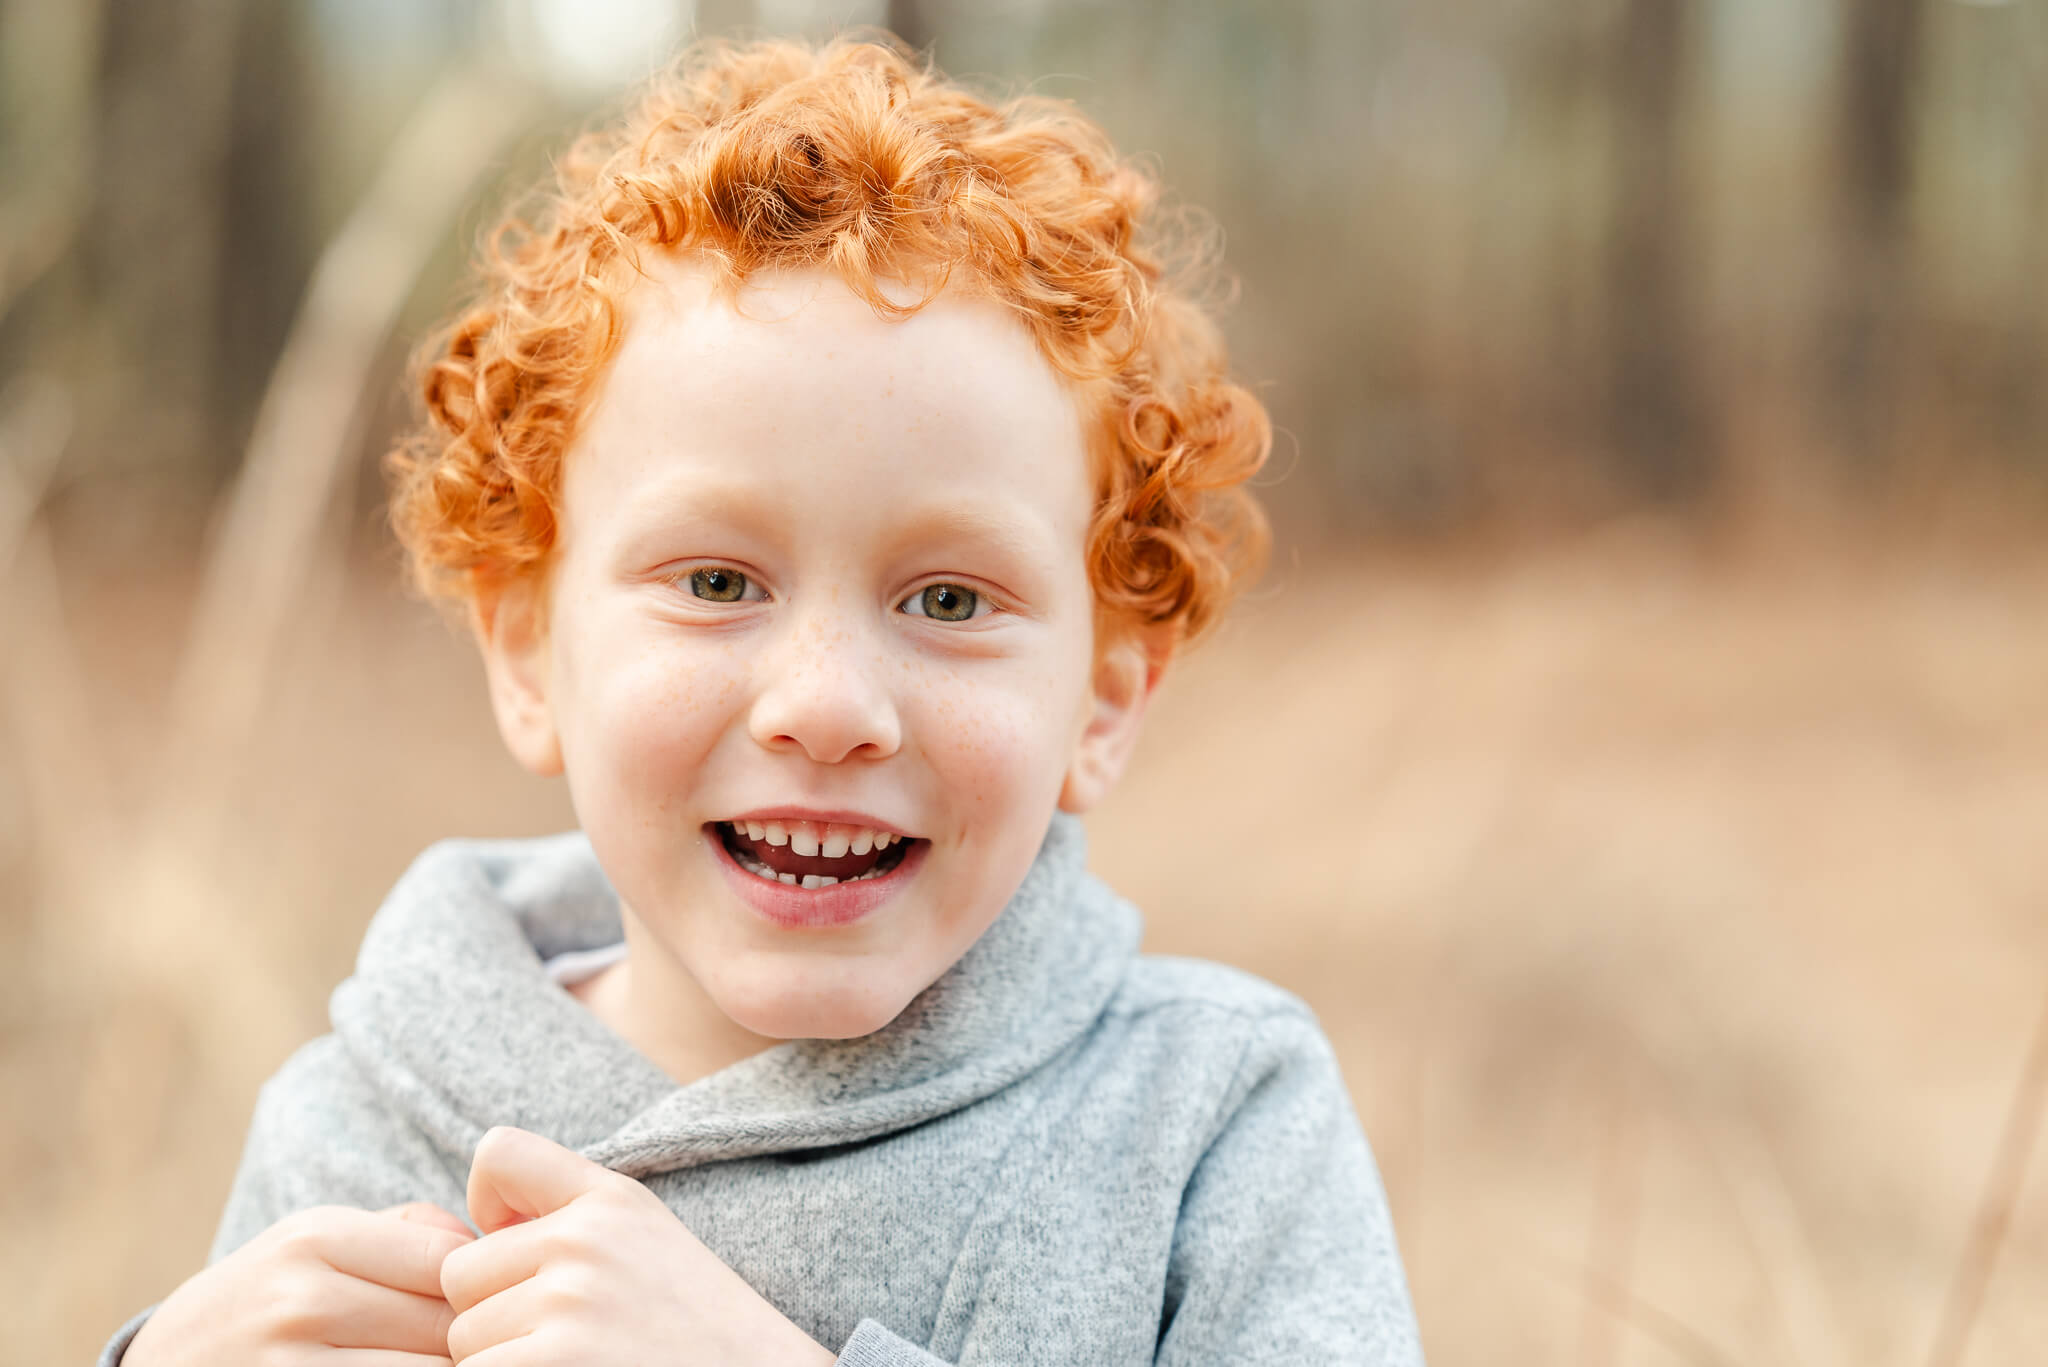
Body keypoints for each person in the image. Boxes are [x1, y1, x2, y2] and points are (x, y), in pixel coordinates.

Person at [102, 32, 1422, 1367]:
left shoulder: (1211, 1124)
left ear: (1103, 703)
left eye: (949, 601)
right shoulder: (354, 1132)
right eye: (719, 581)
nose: (829, 705)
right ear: (523, 654)